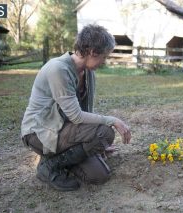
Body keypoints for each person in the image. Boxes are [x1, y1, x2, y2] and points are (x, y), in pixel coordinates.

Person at [21, 24, 131, 191]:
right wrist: (112, 121)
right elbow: (77, 117)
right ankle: (49, 166)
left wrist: (96, 144)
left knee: (99, 175)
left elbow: (86, 111)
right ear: (93, 52)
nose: (104, 61)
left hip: (64, 130)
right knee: (105, 131)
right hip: (39, 132)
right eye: (104, 56)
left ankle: (58, 158)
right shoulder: (58, 69)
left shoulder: (88, 73)